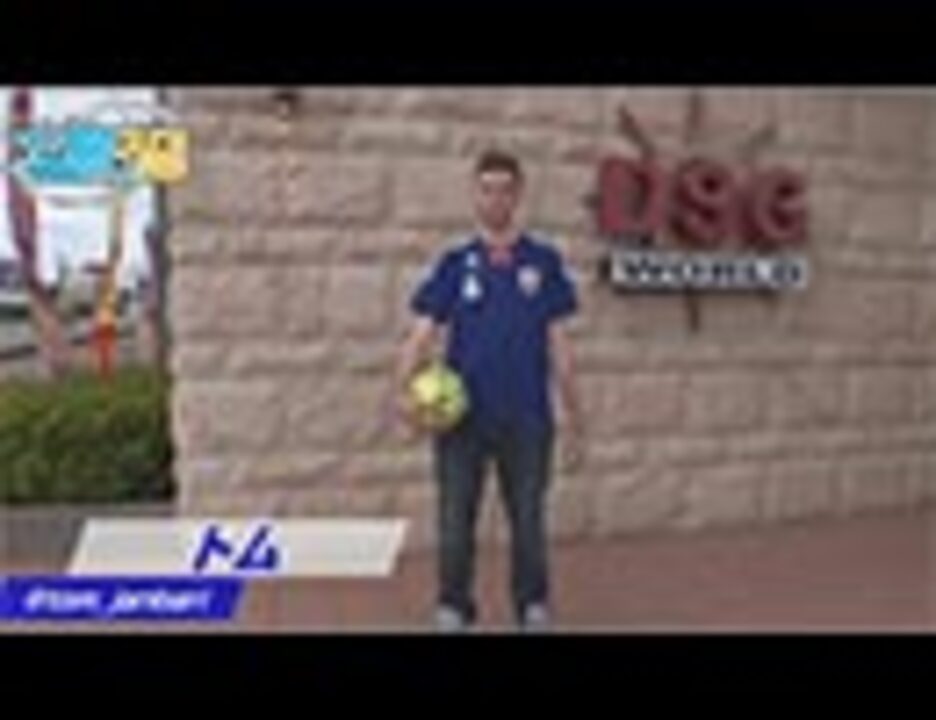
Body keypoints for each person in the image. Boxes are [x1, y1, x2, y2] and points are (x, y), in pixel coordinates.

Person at [392, 149, 586, 631]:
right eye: (487, 189)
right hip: (462, 422)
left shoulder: (543, 263)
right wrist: (403, 396)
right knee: (455, 522)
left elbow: (560, 345)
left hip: (528, 420)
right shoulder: (455, 264)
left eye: (505, 189)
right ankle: (453, 606)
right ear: (474, 195)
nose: (496, 198)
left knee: (529, 523)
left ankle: (532, 605)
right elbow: (421, 335)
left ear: (518, 196)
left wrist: (576, 418)